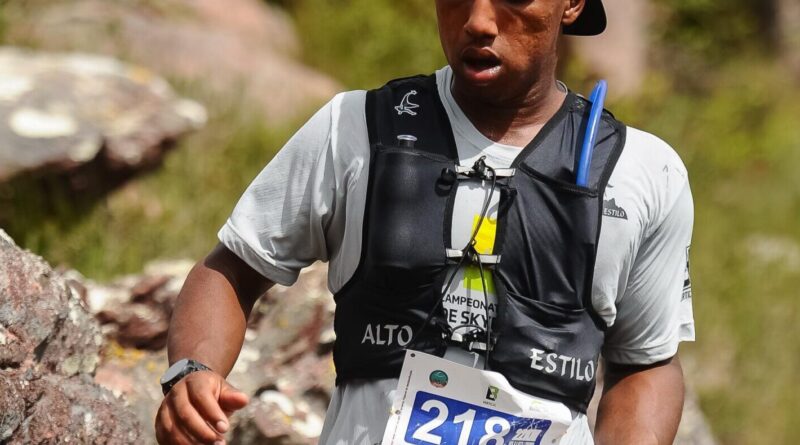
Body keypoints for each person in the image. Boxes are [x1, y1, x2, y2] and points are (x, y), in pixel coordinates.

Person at [154, 0, 695, 444]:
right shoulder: (354, 128)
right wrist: (193, 372)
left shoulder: (644, 172)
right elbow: (234, 268)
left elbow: (645, 362)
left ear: (571, 5)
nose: (478, 20)